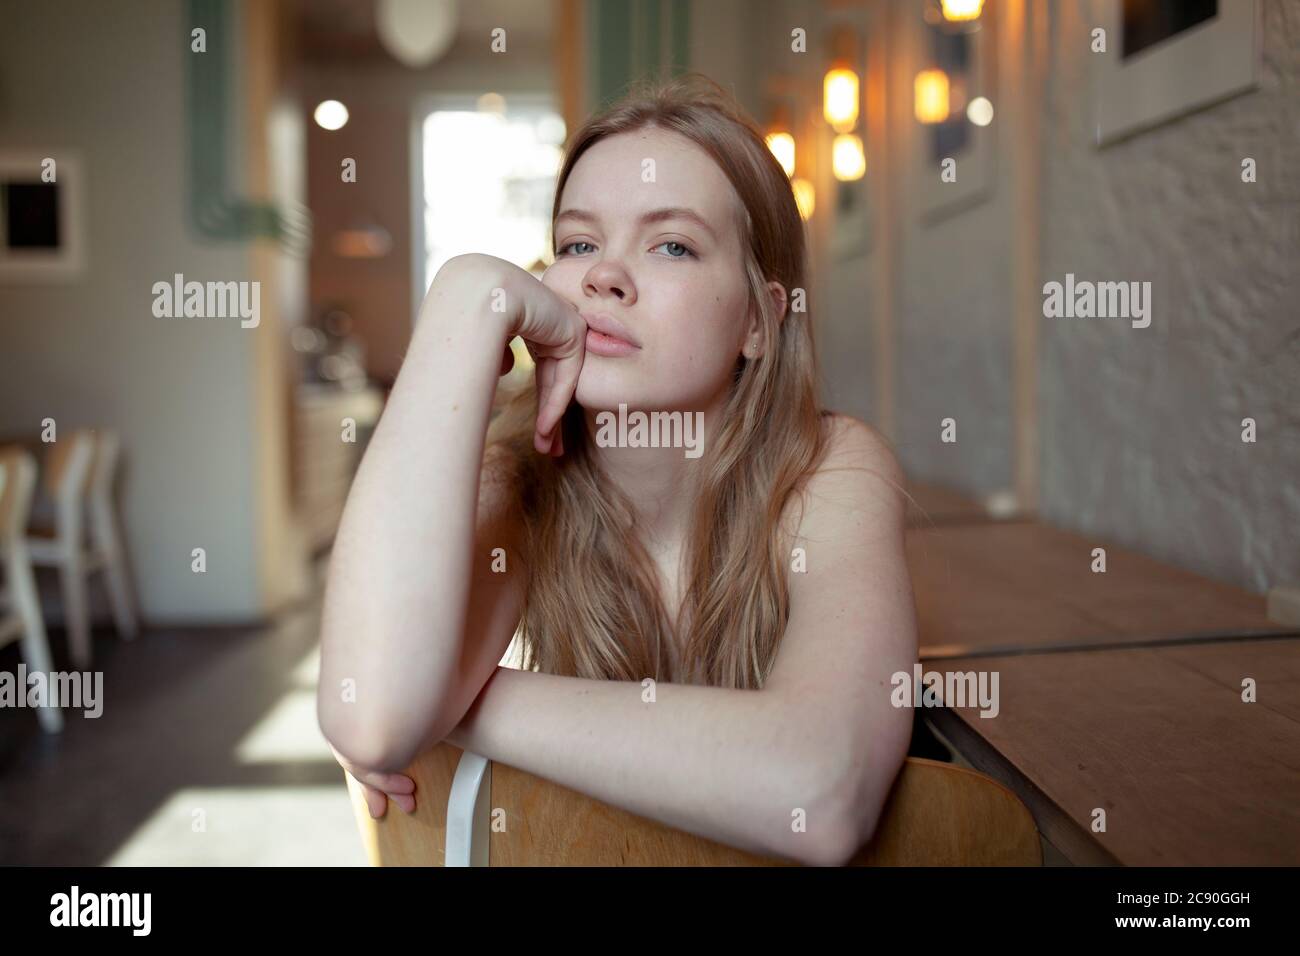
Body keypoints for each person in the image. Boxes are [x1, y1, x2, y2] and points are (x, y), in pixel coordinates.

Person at [317, 72, 918, 867]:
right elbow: (370, 717)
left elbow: (822, 792)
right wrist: (464, 302)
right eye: (578, 244)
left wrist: (458, 700)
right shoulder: (521, 481)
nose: (604, 275)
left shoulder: (830, 468)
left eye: (671, 244)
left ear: (759, 321)